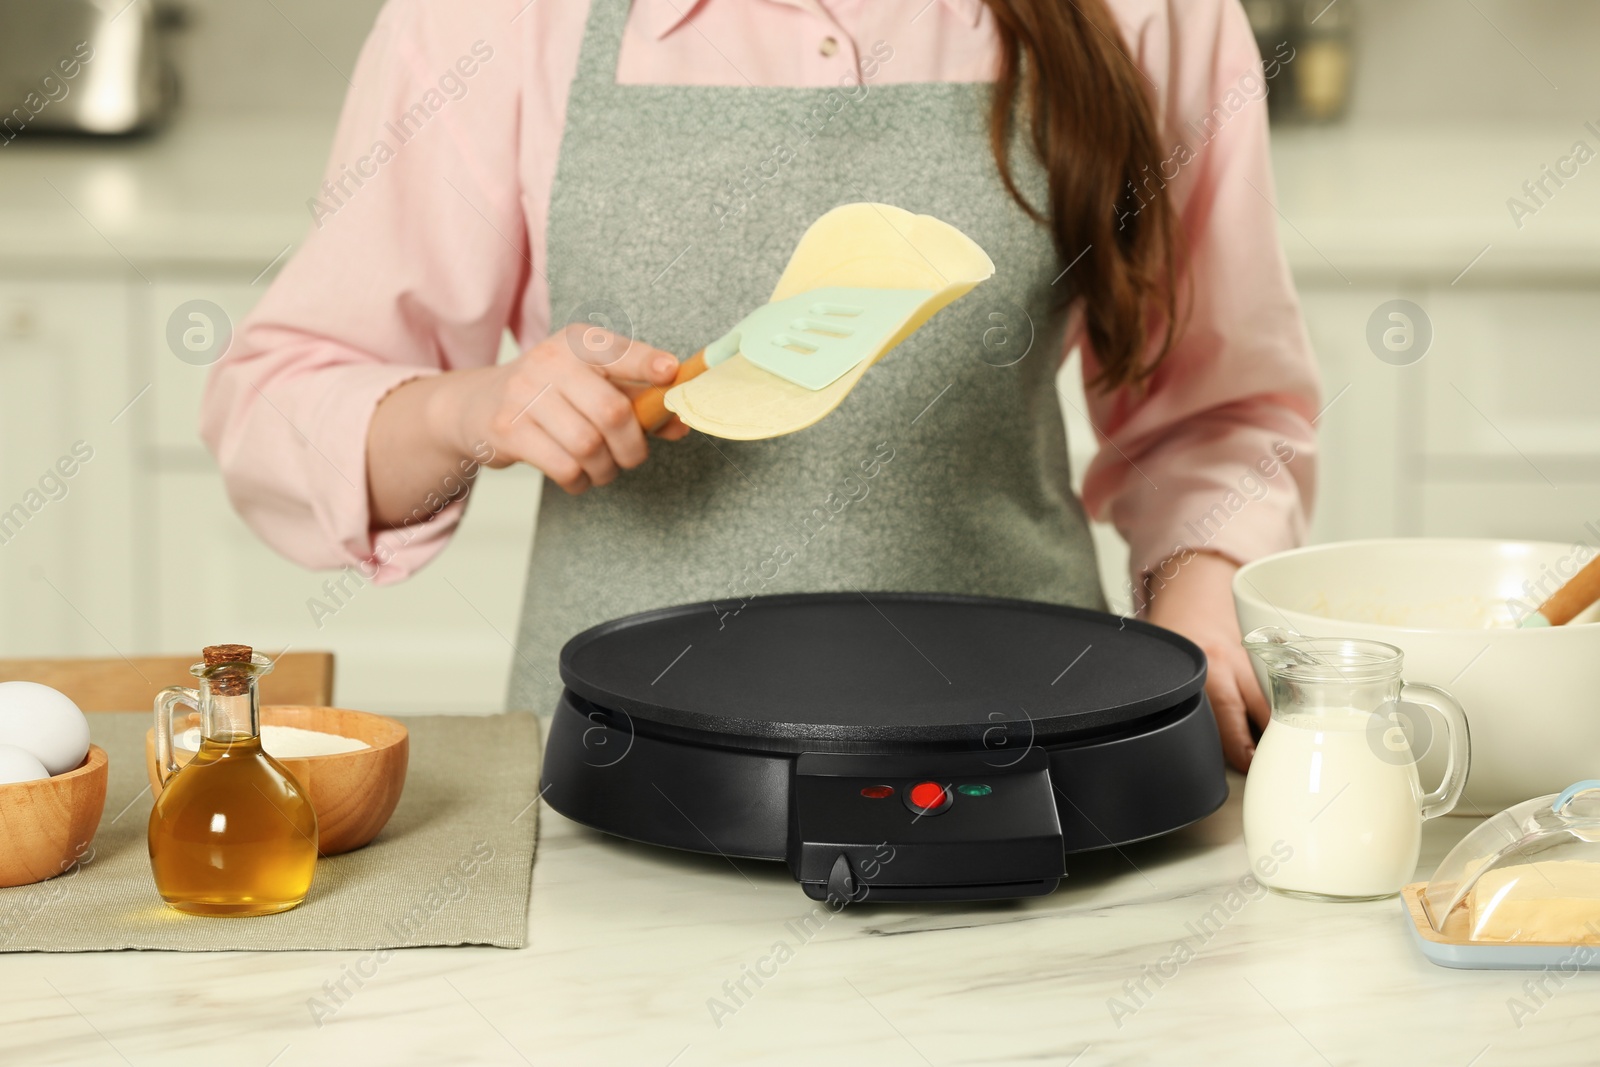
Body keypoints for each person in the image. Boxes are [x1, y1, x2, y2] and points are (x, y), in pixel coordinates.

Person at [202, 0, 1319, 772]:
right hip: (616, 786)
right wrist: (473, 411)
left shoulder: (1148, 15)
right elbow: (277, 405)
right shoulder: (494, 21)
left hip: (1023, 772)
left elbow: (1222, 413)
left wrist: (1198, 595)